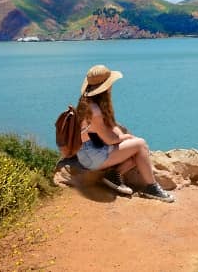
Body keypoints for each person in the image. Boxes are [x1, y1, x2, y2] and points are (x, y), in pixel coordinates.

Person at [75, 64, 175, 203]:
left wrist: (122, 136)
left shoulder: (88, 102)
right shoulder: (95, 111)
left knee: (138, 154)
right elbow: (109, 140)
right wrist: (127, 137)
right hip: (92, 156)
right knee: (141, 145)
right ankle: (151, 187)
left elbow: (111, 125)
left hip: (90, 150)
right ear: (105, 87)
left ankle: (113, 175)